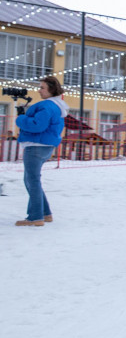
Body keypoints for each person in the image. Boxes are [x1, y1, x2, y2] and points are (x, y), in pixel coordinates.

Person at [14, 76, 67, 226]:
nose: (39, 90)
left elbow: (38, 125)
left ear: (51, 89)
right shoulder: (57, 106)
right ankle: (45, 213)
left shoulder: (46, 105)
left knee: (32, 180)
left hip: (36, 146)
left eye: (42, 87)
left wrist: (21, 119)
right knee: (32, 180)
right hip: (46, 146)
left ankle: (35, 217)